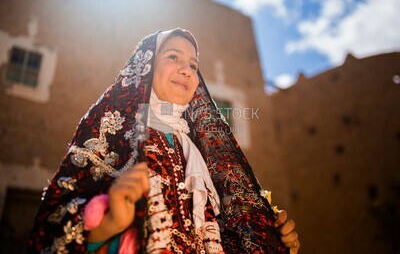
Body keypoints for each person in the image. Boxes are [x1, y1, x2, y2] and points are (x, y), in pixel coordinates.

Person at [28, 28, 300, 254]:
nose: (186, 70)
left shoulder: (201, 159)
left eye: (193, 65)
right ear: (146, 67)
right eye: (173, 56)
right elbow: (53, 229)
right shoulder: (111, 132)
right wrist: (108, 226)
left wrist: (274, 241)